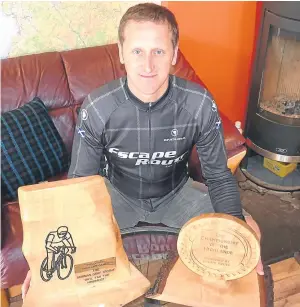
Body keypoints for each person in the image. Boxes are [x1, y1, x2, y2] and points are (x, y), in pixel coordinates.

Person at [22, 2, 264, 298]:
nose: (148, 65)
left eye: (158, 51)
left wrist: (237, 228)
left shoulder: (199, 103)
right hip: (116, 198)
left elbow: (217, 175)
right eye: (137, 51)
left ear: (174, 55)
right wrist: (42, 262)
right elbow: (79, 185)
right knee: (73, 274)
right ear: (122, 53)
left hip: (179, 195)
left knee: (242, 240)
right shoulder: (99, 107)